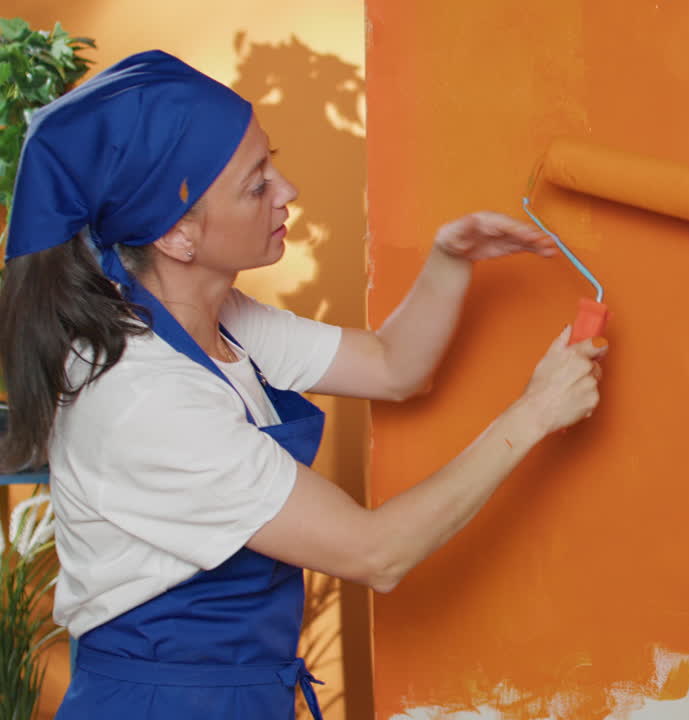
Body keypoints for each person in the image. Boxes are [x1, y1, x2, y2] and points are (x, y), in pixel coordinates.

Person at [0, 50, 605, 719]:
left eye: (271, 162)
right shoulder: (143, 397)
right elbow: (377, 552)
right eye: (256, 184)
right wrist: (536, 412)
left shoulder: (212, 317)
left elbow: (390, 366)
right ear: (176, 234)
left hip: (242, 695)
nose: (287, 191)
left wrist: (448, 260)